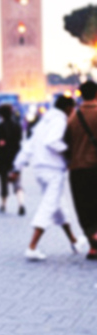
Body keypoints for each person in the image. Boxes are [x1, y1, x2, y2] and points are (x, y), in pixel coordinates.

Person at [13, 95, 86, 260]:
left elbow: (29, 146)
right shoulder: (60, 121)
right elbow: (52, 142)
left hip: (39, 169)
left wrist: (17, 167)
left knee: (58, 205)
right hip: (53, 170)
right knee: (49, 206)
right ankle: (32, 247)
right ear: (68, 108)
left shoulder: (43, 122)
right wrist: (69, 154)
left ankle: (74, 241)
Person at [66, 81, 97, 260]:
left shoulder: (73, 116)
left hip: (78, 169)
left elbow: (66, 141)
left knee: (84, 207)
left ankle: (93, 245)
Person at [0, 104, 25, 215]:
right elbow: (20, 139)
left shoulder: (0, 126)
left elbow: (0, 142)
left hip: (3, 157)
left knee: (3, 182)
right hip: (16, 156)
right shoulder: (17, 125)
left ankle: (3, 204)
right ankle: (21, 203)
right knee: (17, 181)